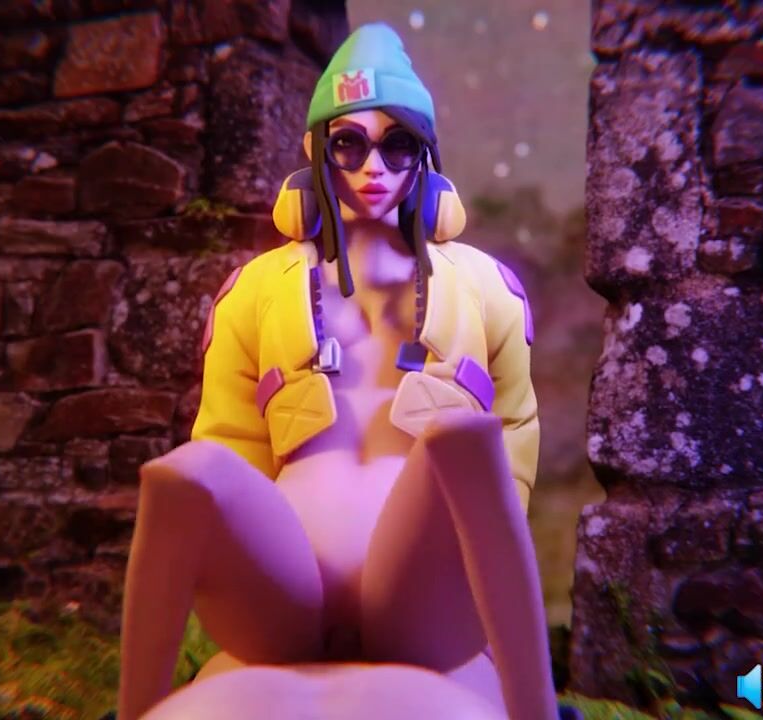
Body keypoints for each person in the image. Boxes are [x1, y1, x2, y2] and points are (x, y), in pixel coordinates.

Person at [118, 22, 563, 720]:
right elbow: (230, 444)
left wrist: (466, 580)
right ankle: (131, 709)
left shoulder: (487, 289)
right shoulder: (254, 290)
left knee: (464, 440)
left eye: (397, 144)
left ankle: (539, 711)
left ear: (425, 153)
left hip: (423, 602)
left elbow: (510, 460)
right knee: (185, 472)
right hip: (281, 597)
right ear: (317, 150)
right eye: (349, 143)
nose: (372, 167)